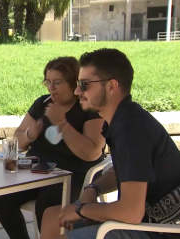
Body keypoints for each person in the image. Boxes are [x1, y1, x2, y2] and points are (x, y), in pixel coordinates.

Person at [40, 48, 180, 239]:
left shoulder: (132, 130)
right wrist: (93, 189)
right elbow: (121, 171)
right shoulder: (123, 119)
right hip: (144, 220)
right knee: (53, 216)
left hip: (158, 230)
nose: (77, 91)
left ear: (112, 86)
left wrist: (83, 210)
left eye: (84, 84)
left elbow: (131, 211)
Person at [0, 56, 106, 239]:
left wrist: (62, 123)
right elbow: (18, 142)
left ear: (74, 83)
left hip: (73, 174)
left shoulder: (87, 107)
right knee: (1, 196)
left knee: (46, 203)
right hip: (37, 169)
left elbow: (92, 152)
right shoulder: (42, 104)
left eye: (57, 82)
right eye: (48, 82)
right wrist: (31, 134)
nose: (50, 88)